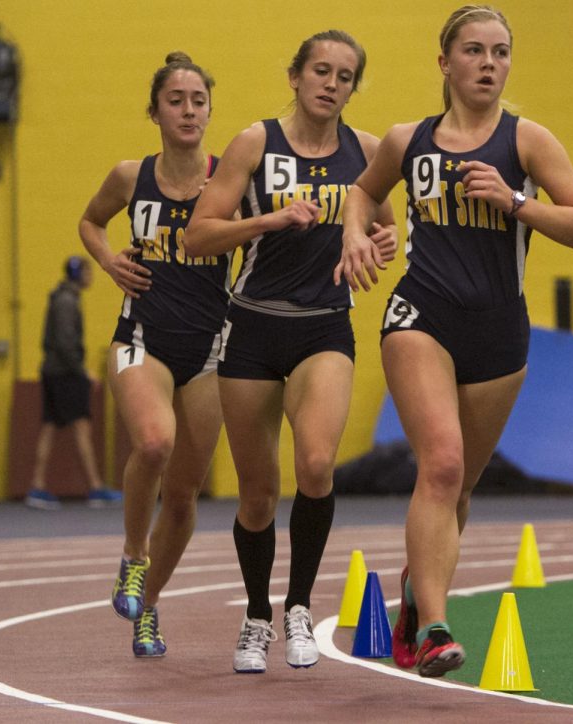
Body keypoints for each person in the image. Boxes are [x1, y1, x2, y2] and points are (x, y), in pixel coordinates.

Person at [335, 5, 573, 678]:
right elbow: (360, 195)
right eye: (476, 51)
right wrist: (354, 233)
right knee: (444, 463)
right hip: (421, 314)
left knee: (456, 491)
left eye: (502, 52)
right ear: (446, 63)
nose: (490, 63)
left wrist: (516, 202)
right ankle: (434, 627)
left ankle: (413, 594)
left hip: (498, 332)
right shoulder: (409, 140)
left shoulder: (527, 142)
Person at [184, 30, 396, 674]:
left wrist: (376, 245)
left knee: (317, 464)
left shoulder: (366, 151)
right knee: (256, 494)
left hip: (324, 328)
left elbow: (384, 222)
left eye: (345, 76)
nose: (331, 84)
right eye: (321, 71)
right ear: (296, 76)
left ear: (354, 87)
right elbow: (199, 238)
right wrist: (268, 222)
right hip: (251, 328)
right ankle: (256, 616)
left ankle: (298, 605)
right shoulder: (255, 142)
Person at [78, 52, 232, 659]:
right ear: (155, 111)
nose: (189, 109)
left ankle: (151, 606)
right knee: (152, 442)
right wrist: (108, 258)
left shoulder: (230, 180)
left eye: (199, 99)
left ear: (209, 109)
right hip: (140, 337)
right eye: (177, 100)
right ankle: (132, 557)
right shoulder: (129, 176)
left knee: (187, 493)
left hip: (212, 350)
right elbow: (91, 223)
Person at [26, 255, 122, 510]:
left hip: (52, 371)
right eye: (89, 273)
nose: (91, 277)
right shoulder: (68, 302)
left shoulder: (61, 297)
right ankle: (95, 487)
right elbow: (66, 343)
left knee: (49, 427)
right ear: (79, 275)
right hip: (65, 374)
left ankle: (37, 486)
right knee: (82, 427)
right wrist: (82, 372)